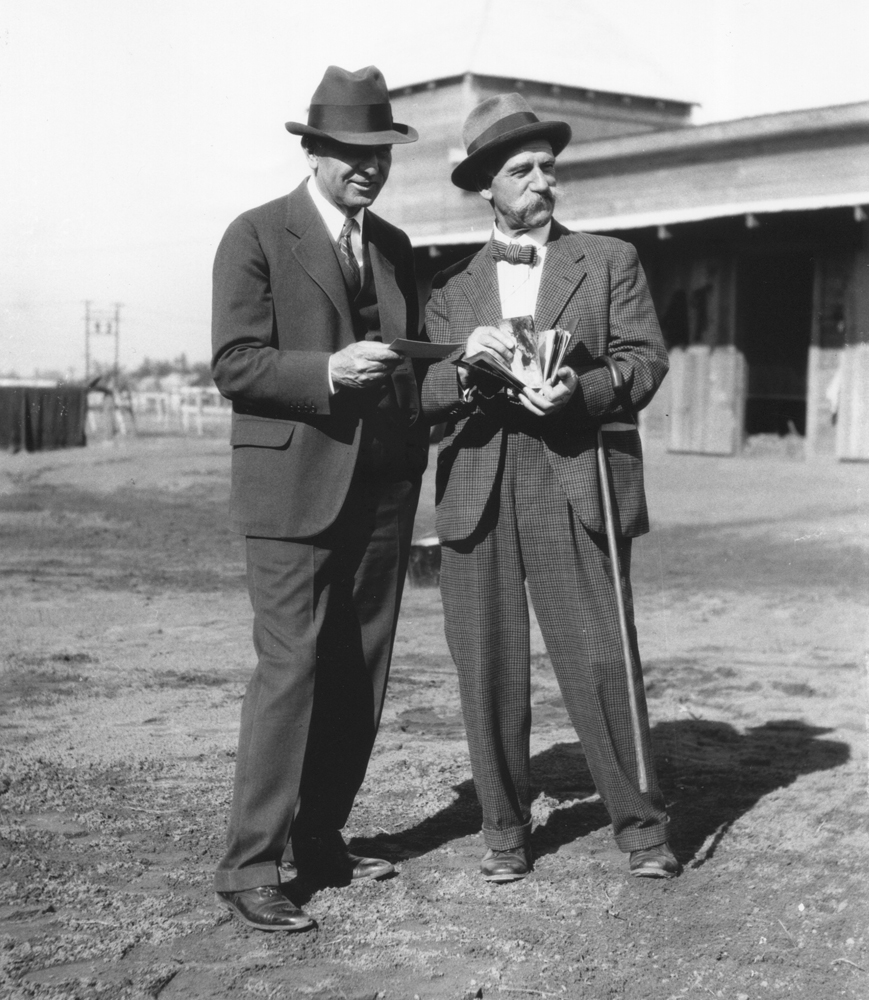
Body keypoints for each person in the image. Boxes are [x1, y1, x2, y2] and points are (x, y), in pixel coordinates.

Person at [421, 93, 678, 883]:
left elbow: (644, 360)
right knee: (489, 668)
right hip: (479, 483)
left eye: (547, 168)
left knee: (601, 660)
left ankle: (641, 830)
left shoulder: (608, 261)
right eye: (521, 170)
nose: (541, 181)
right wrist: (464, 371)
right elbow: (421, 392)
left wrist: (582, 389)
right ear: (484, 186)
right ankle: (504, 831)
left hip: (574, 475)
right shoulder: (447, 289)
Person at [211, 65, 428, 932]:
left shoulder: (397, 247)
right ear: (313, 149)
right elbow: (234, 364)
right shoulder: (257, 234)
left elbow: (411, 360)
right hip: (289, 492)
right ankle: (250, 866)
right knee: (292, 671)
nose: (366, 167)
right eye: (349, 152)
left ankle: (322, 839)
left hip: (381, 491)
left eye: (379, 152)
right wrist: (327, 373)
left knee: (358, 675)